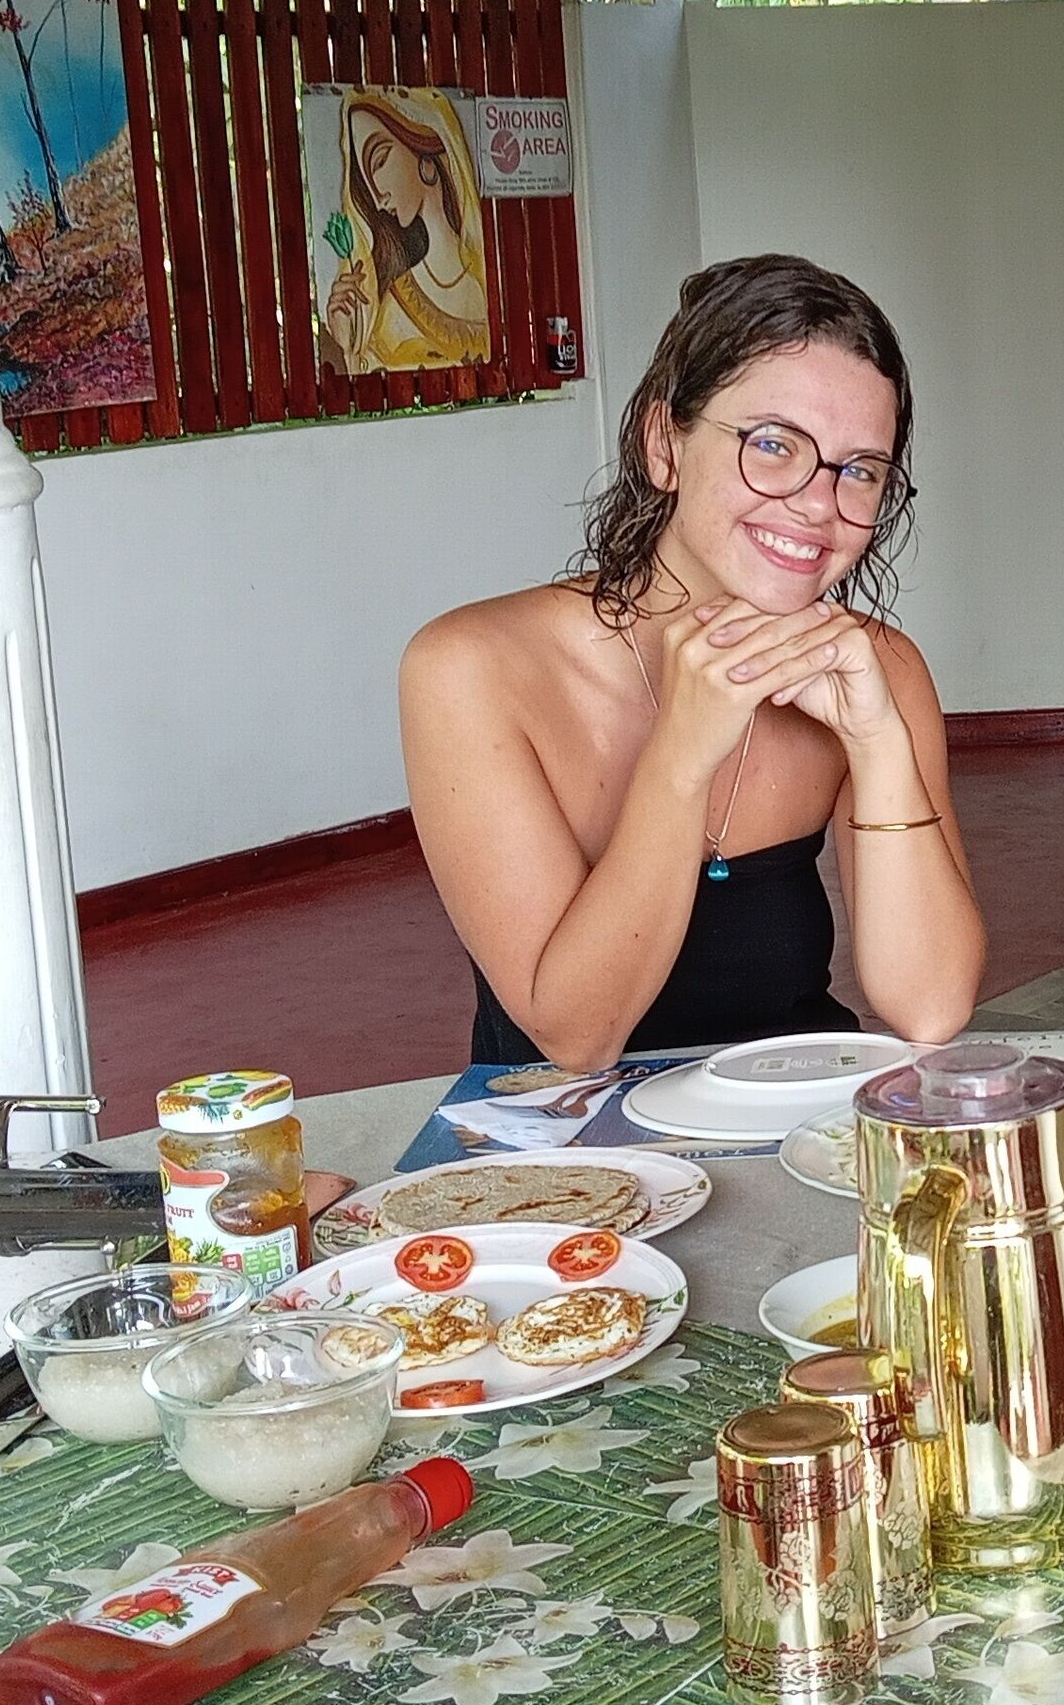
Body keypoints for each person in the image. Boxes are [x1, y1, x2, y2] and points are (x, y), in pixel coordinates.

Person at [401, 253, 981, 1069]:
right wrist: (680, 754)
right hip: (566, 1138)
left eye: (859, 470)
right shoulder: (471, 670)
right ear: (664, 446)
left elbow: (931, 1005)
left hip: (791, 1122)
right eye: (773, 445)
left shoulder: (878, 668)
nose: (818, 504)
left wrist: (879, 744)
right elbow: (578, 1036)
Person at [324, 92, 489, 371]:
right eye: (365, 181)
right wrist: (349, 348)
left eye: (379, 162)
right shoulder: (392, 310)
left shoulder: (491, 271)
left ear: (421, 141)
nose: (378, 199)